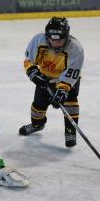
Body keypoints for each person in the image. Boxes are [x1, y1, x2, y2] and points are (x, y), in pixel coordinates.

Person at [19, 17, 84, 148]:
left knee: (70, 103)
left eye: (59, 40)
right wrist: (33, 73)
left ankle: (70, 132)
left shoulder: (75, 48)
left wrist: (62, 90)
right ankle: (37, 124)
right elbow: (29, 60)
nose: (55, 43)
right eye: (52, 39)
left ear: (66, 36)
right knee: (38, 106)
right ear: (47, 36)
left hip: (66, 80)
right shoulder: (38, 40)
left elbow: (72, 73)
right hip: (46, 78)